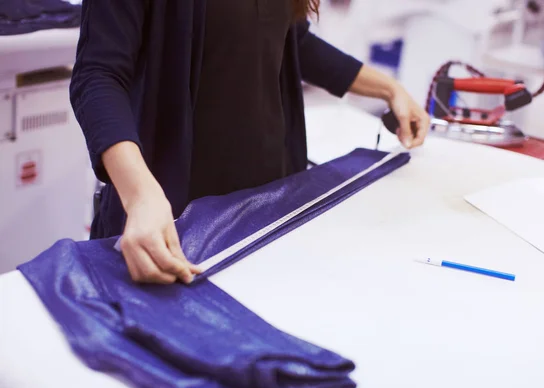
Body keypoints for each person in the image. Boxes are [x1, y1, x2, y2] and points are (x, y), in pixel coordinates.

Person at [70, 0, 430, 285]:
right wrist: (141, 196)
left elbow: (291, 39)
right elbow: (98, 76)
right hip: (169, 226)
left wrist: (389, 89)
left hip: (266, 212)